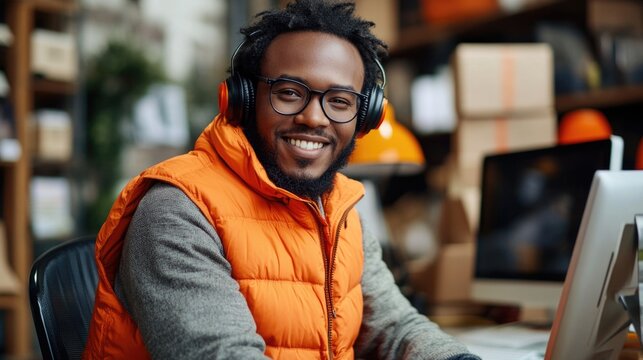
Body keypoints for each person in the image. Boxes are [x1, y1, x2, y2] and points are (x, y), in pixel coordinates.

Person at [83, 1, 481, 359]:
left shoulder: (340, 210)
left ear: (364, 119)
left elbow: (395, 329)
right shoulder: (179, 209)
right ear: (242, 100)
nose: (315, 117)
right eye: (290, 93)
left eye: (340, 101)